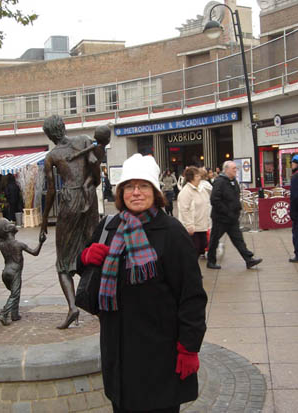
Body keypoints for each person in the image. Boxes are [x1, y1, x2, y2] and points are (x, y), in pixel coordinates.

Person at [77, 153, 207, 412]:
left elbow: (192, 295)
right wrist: (85, 258)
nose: (136, 192)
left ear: (155, 192)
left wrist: (189, 347)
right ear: (121, 191)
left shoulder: (171, 232)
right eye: (129, 186)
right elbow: (87, 270)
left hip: (158, 351)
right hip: (117, 347)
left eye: (143, 185)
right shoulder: (109, 226)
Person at [39, 115, 102, 329]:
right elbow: (95, 167)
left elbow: (50, 191)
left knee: (63, 262)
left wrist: (44, 220)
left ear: (48, 135)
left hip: (69, 200)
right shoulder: (84, 140)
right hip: (88, 197)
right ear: (64, 127)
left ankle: (73, 307)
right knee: (91, 249)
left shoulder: (52, 156)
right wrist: (89, 183)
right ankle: (102, 300)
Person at [207, 161, 262, 270]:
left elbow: (235, 198)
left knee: (238, 239)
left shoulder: (234, 181)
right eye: (233, 169)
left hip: (232, 218)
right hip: (221, 218)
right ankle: (211, 261)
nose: (236, 170)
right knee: (214, 239)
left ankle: (248, 259)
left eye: (236, 168)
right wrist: (227, 211)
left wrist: (237, 210)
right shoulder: (219, 182)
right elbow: (214, 200)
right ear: (226, 169)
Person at [0, 218, 45, 325]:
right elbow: (35, 252)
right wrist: (41, 243)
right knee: (15, 294)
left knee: (14, 293)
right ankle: (4, 314)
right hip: (15, 272)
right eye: (9, 224)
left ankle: (15, 314)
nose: (12, 224)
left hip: (5, 273)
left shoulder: (1, 244)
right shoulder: (19, 245)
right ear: (7, 230)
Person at [177, 167, 210, 257]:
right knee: (194, 250)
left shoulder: (202, 189)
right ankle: (190, 268)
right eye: (197, 175)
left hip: (202, 225)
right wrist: (189, 225)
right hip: (193, 228)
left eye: (199, 175)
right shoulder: (186, 192)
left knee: (203, 246)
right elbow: (184, 209)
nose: (199, 177)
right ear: (191, 177)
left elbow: (207, 204)